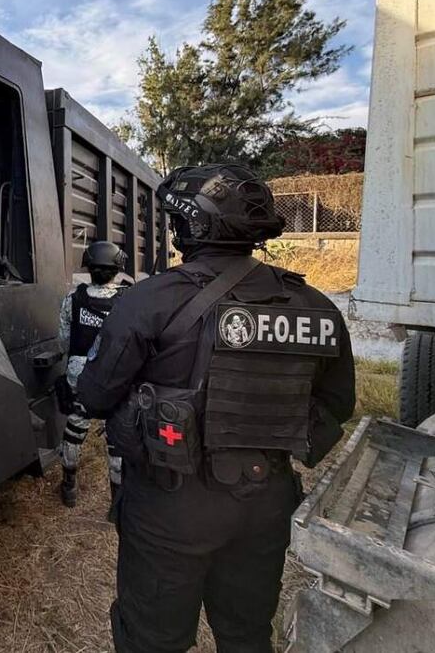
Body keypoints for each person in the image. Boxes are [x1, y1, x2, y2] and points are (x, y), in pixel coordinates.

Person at [77, 163, 355, 653]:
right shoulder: (317, 306)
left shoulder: (147, 301)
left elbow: (95, 396)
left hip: (170, 507)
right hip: (265, 505)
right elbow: (337, 404)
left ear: (191, 226)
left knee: (151, 641)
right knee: (247, 637)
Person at [56, 240, 128, 508]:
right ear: (117, 268)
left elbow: (64, 341)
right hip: (113, 378)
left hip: (79, 374)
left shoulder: (72, 300)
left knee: (75, 429)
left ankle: (69, 488)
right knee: (116, 440)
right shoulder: (127, 300)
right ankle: (117, 503)